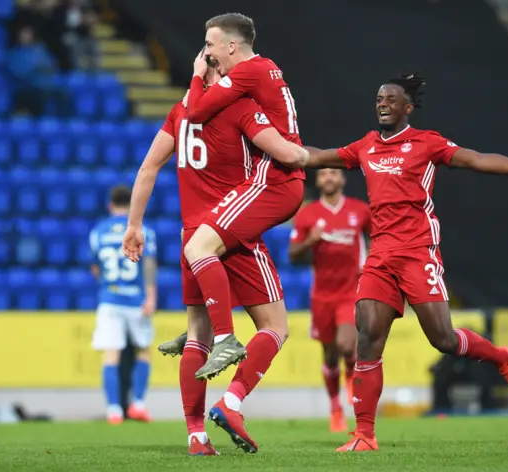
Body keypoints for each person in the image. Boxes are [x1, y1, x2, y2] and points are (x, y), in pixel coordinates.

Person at [304, 72, 508, 452]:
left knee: (442, 339)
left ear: (407, 108)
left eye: (391, 99)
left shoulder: (427, 143)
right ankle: (364, 434)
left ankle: (501, 357)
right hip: (379, 255)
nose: (383, 104)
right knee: (368, 336)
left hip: (417, 250)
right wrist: (271, 146)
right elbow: (314, 157)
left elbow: (476, 160)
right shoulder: (365, 146)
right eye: (379, 98)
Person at [122, 62, 305, 455]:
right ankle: (232, 393)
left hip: (191, 234)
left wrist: (134, 225)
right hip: (230, 231)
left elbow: (149, 167)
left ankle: (195, 436)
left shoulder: (179, 111)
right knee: (275, 327)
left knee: (195, 335)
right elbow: (283, 152)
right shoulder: (238, 108)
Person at [180, 13, 305, 376]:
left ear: (231, 46)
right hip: (279, 175)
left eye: (210, 45)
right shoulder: (267, 69)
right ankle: (203, 325)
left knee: (198, 248)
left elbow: (198, 111)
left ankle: (223, 338)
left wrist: (196, 75)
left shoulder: (247, 72)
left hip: (272, 179)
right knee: (216, 250)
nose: (207, 53)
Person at [289, 169, 370, 432]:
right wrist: (310, 241)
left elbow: (379, 237)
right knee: (329, 354)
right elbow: (292, 254)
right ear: (318, 181)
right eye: (324, 174)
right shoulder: (308, 214)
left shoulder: (359, 210)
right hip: (322, 294)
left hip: (351, 289)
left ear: (342, 179)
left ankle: (351, 375)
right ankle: (335, 407)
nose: (329, 178)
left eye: (334, 173)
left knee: (347, 345)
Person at [89, 185, 157, 425]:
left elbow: (96, 267)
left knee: (111, 354)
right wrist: (151, 297)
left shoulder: (98, 231)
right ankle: (138, 404)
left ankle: (114, 411)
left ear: (110, 205)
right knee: (143, 350)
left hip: (110, 299)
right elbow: (148, 265)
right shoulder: (143, 230)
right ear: (131, 205)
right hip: (136, 299)